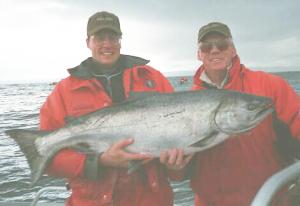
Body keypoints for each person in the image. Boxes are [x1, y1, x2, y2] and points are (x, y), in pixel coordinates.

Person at [39, 11, 187, 206]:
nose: (107, 44)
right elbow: (47, 159)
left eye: (113, 37)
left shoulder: (153, 79)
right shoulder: (64, 91)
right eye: (99, 38)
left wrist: (176, 165)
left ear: (120, 41)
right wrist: (99, 161)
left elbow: (178, 151)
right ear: (88, 42)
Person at [189, 22, 300, 206]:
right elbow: (178, 174)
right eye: (207, 47)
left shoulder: (270, 86)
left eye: (222, 45)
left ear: (233, 50)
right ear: (199, 54)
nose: (214, 50)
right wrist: (175, 166)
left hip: (272, 199)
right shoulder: (188, 102)